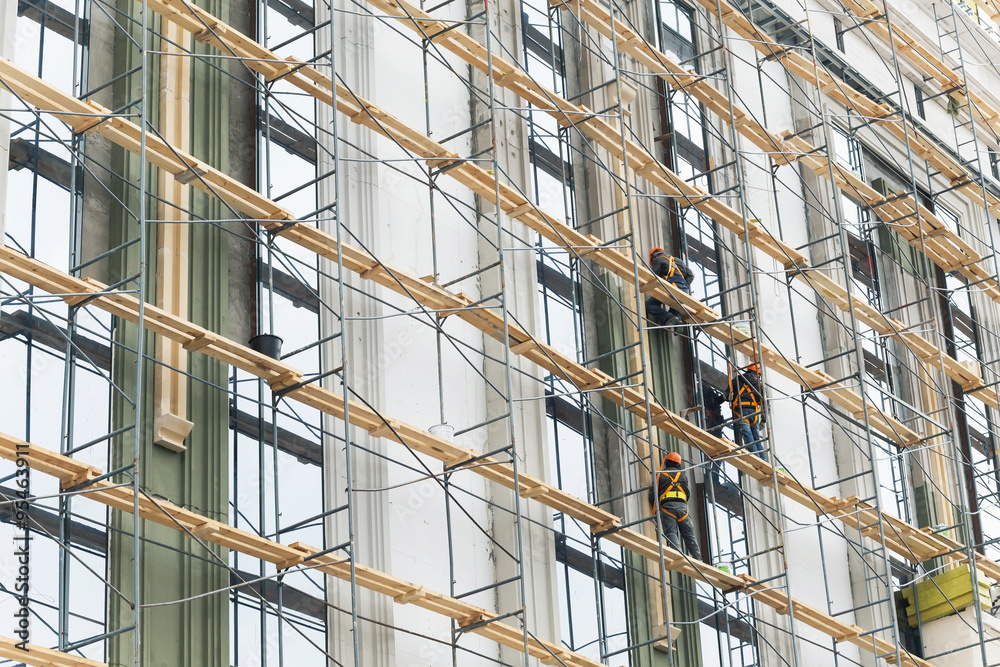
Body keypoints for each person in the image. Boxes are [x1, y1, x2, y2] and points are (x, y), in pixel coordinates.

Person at [648, 452, 702, 561]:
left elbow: (652, 495)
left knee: (671, 533)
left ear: (666, 462)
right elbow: (687, 493)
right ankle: (698, 558)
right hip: (682, 508)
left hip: (667, 508)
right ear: (678, 465)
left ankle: (678, 555)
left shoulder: (660, 475)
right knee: (689, 535)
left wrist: (655, 508)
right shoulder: (682, 476)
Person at [645, 248, 695, 328]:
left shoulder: (657, 260)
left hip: (671, 287)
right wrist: (682, 286)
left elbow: (655, 277)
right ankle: (678, 324)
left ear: (654, 256)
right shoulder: (679, 260)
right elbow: (691, 275)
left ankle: (669, 318)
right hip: (684, 290)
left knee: (650, 305)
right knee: (676, 306)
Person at [729, 363, 767, 461]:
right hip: (754, 413)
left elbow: (726, 394)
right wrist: (763, 420)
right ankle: (764, 462)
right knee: (756, 439)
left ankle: (757, 461)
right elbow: (765, 402)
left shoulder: (737, 380)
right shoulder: (759, 384)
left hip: (740, 412)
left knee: (748, 438)